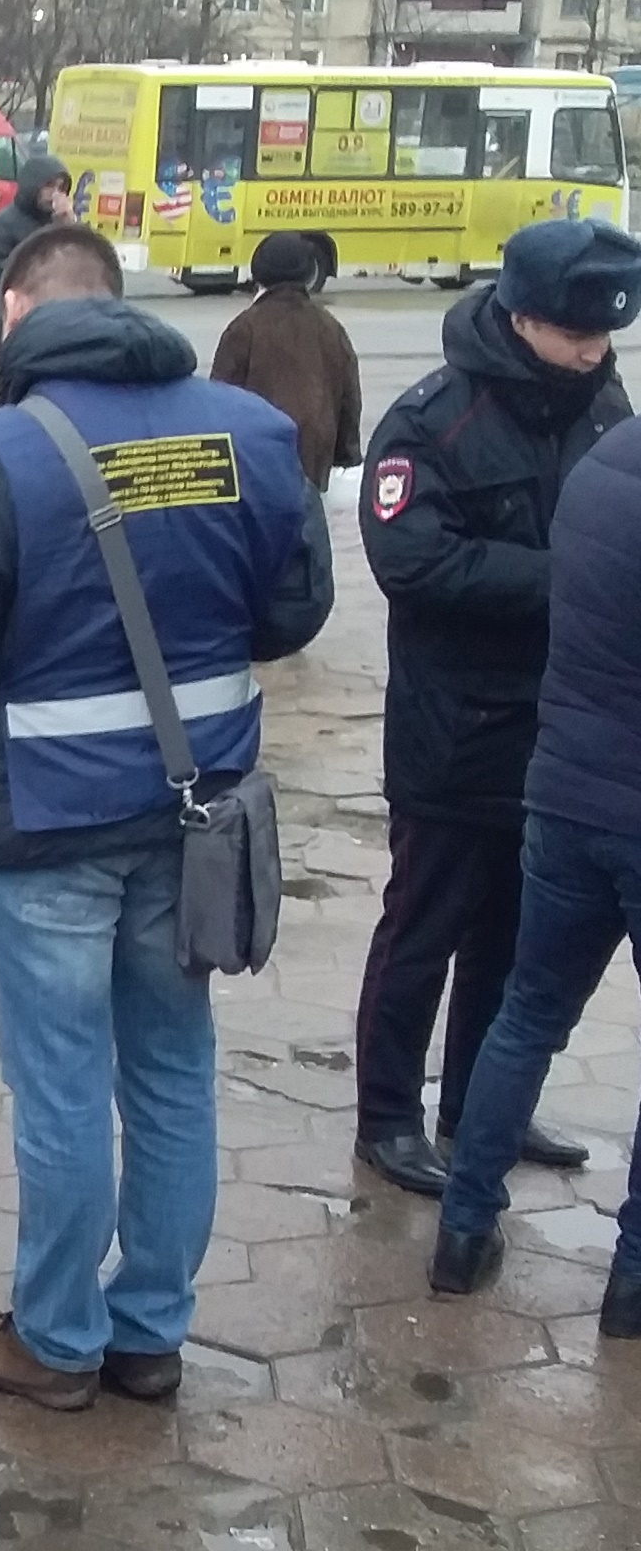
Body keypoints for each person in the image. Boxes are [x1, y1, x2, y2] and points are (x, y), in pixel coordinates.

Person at [0, 225, 333, 1411]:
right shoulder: (252, 433)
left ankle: (57, 1339)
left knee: (64, 1083)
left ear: (15, 315)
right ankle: (150, 1332)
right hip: (199, 809)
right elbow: (294, 614)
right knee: (172, 1066)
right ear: (121, 304)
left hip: (50, 821)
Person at [348, 219, 639, 1198]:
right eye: (575, 334)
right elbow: (412, 561)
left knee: (511, 942)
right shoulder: (432, 421)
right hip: (454, 729)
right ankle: (388, 1116)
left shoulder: (604, 404)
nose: (594, 352)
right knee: (423, 928)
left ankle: (481, 1110)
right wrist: (567, 578)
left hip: (562, 734)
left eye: (605, 335)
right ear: (521, 318)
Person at [431, 411, 641, 1316]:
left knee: (526, 1016)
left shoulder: (601, 465)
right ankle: (633, 1282)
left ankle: (462, 1231)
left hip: (564, 794)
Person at [211, 232, 363, 489]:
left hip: (255, 471)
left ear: (257, 273)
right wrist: (345, 455)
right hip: (314, 469)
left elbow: (219, 404)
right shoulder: (331, 328)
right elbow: (349, 402)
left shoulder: (243, 328)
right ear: (308, 274)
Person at [0, 150, 74, 356]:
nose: (55, 194)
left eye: (60, 188)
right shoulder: (2, 224)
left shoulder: (57, 222)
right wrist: (33, 263)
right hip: (11, 319)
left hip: (54, 315)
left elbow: (79, 261)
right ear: (33, 185)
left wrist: (69, 228)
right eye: (49, 186)